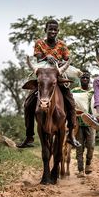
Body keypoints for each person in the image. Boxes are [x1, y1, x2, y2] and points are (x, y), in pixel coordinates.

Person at [17, 19, 81, 148]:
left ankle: (71, 135)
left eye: (54, 29)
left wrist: (61, 63)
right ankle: (29, 136)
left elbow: (67, 59)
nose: (52, 31)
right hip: (43, 76)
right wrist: (47, 57)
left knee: (70, 102)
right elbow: (39, 57)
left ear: (58, 31)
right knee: (28, 104)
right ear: (45, 30)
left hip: (56, 76)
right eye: (50, 29)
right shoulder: (39, 43)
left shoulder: (62, 45)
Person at [72, 71, 98, 177]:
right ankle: (80, 170)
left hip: (91, 123)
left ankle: (88, 164)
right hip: (78, 123)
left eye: (87, 78)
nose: (85, 79)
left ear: (89, 79)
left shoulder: (93, 92)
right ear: (80, 79)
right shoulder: (74, 91)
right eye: (83, 78)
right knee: (79, 147)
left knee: (91, 146)